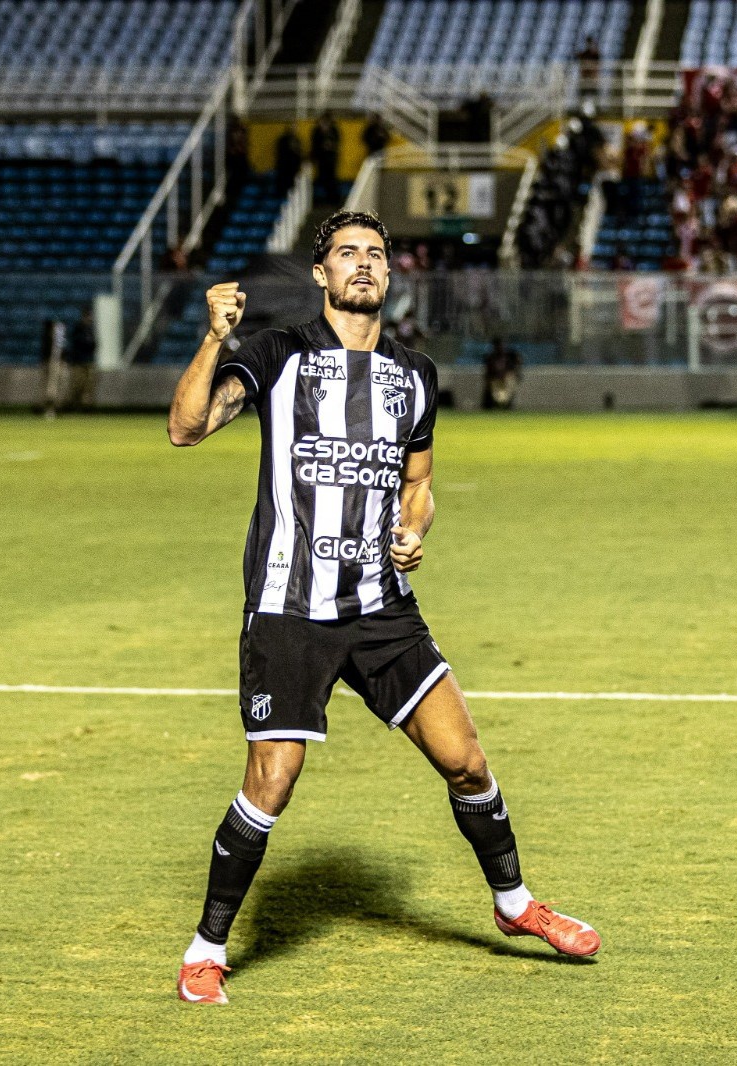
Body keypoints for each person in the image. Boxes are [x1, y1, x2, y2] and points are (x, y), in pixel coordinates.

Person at [166, 210, 601, 1006]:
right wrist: (212, 340)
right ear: (322, 275)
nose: (362, 265)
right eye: (346, 255)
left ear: (390, 276)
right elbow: (185, 428)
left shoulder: (414, 375)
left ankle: (513, 905)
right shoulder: (275, 353)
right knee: (272, 779)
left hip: (381, 607)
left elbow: (418, 483)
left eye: (375, 254)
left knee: (466, 760)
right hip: (289, 605)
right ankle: (205, 949)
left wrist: (412, 528)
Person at [65, 304, 97, 410]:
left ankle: (86, 406)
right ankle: (72, 405)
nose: (90, 318)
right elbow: (77, 343)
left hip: (88, 360)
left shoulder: (90, 330)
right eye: (88, 316)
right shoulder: (78, 328)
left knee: (88, 385)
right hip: (78, 361)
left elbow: (93, 344)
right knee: (76, 384)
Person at [38, 317, 68, 416]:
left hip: (58, 361)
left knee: (58, 384)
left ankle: (55, 406)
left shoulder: (59, 334)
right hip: (51, 361)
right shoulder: (48, 335)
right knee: (51, 387)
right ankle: (48, 407)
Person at [482, 336, 523, 410]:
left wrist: (510, 375)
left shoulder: (511, 356)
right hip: (495, 383)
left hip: (507, 382)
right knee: (491, 400)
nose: (500, 347)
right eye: (498, 346)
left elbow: (517, 366)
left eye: (502, 345)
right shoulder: (490, 358)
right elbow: (488, 374)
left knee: (504, 400)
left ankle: (505, 406)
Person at [310, 113, 341, 206]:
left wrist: (330, 145)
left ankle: (334, 199)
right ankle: (325, 199)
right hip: (321, 159)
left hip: (331, 159)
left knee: (332, 179)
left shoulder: (334, 130)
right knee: (323, 179)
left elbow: (337, 142)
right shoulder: (316, 131)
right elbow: (314, 144)